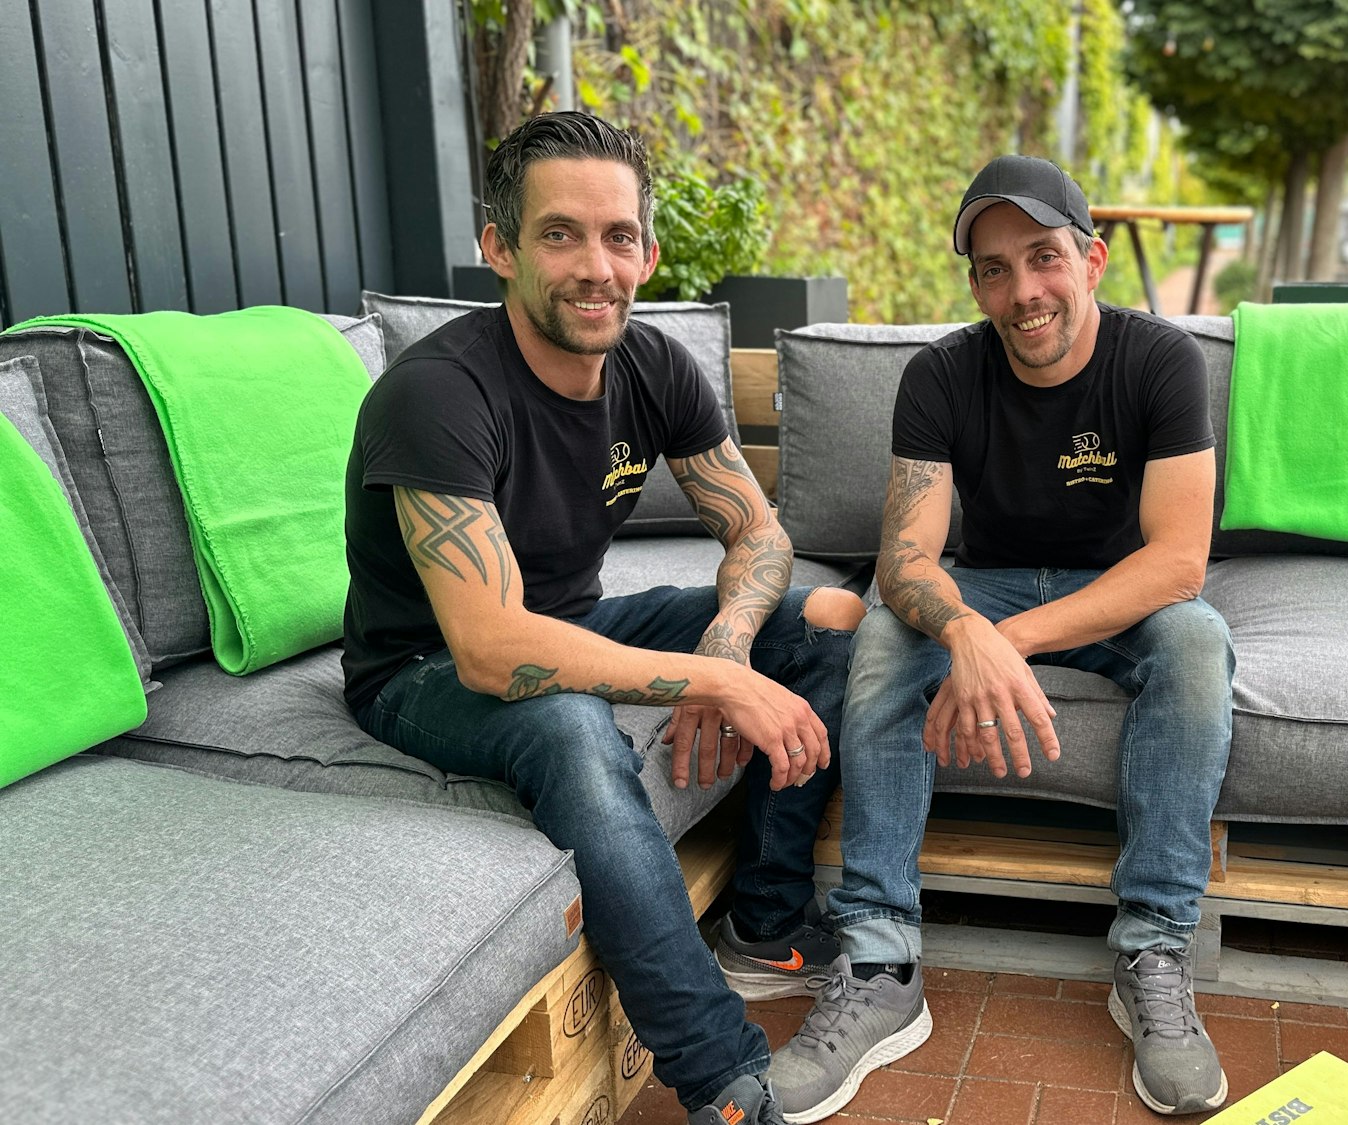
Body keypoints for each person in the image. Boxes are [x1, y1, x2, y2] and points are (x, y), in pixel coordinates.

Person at [340, 112, 860, 1125]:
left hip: (579, 619)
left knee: (832, 621)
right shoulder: (436, 394)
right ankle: (720, 1079)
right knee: (571, 726)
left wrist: (726, 640)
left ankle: (762, 923)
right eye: (559, 234)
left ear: (648, 251)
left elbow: (758, 533)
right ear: (499, 247)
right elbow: (490, 649)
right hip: (421, 667)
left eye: (618, 236)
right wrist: (712, 682)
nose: (596, 266)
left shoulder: (653, 365)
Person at [768, 155, 1235, 1121]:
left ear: (1093, 259)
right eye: (991, 268)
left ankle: (1152, 945)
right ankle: (882, 960)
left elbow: (1178, 561)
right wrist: (963, 625)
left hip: (1117, 589)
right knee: (889, 639)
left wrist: (1001, 641)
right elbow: (905, 559)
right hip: (977, 577)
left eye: (1042, 257)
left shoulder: (1162, 362)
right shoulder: (942, 374)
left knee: (1195, 643)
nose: (1021, 292)